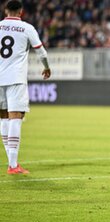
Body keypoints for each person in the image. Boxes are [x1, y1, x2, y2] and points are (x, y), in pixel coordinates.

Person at [0, 0, 51, 174]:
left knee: (3, 117)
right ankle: (13, 165)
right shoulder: (27, 28)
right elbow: (41, 51)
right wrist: (46, 66)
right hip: (15, 77)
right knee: (15, 117)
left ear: (5, 10)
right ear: (21, 11)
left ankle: (11, 162)